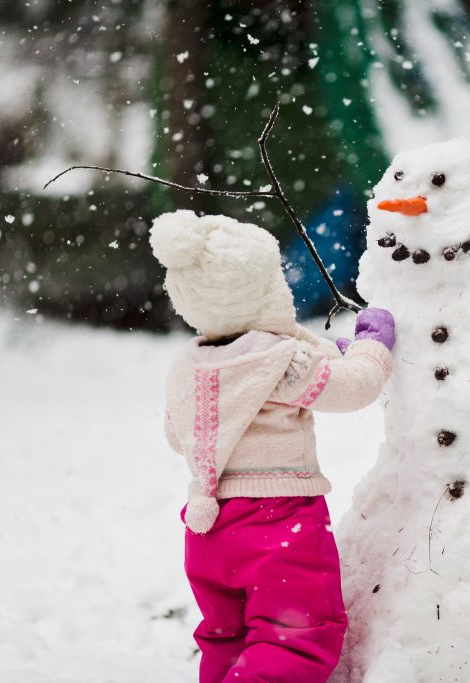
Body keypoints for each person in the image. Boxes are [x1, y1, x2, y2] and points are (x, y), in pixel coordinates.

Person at [149, 210, 394, 683]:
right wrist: (371, 346)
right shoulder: (281, 362)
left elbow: (175, 435)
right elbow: (356, 387)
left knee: (229, 636)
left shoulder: (190, 365)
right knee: (295, 636)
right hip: (275, 523)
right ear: (265, 291)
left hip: (209, 532)